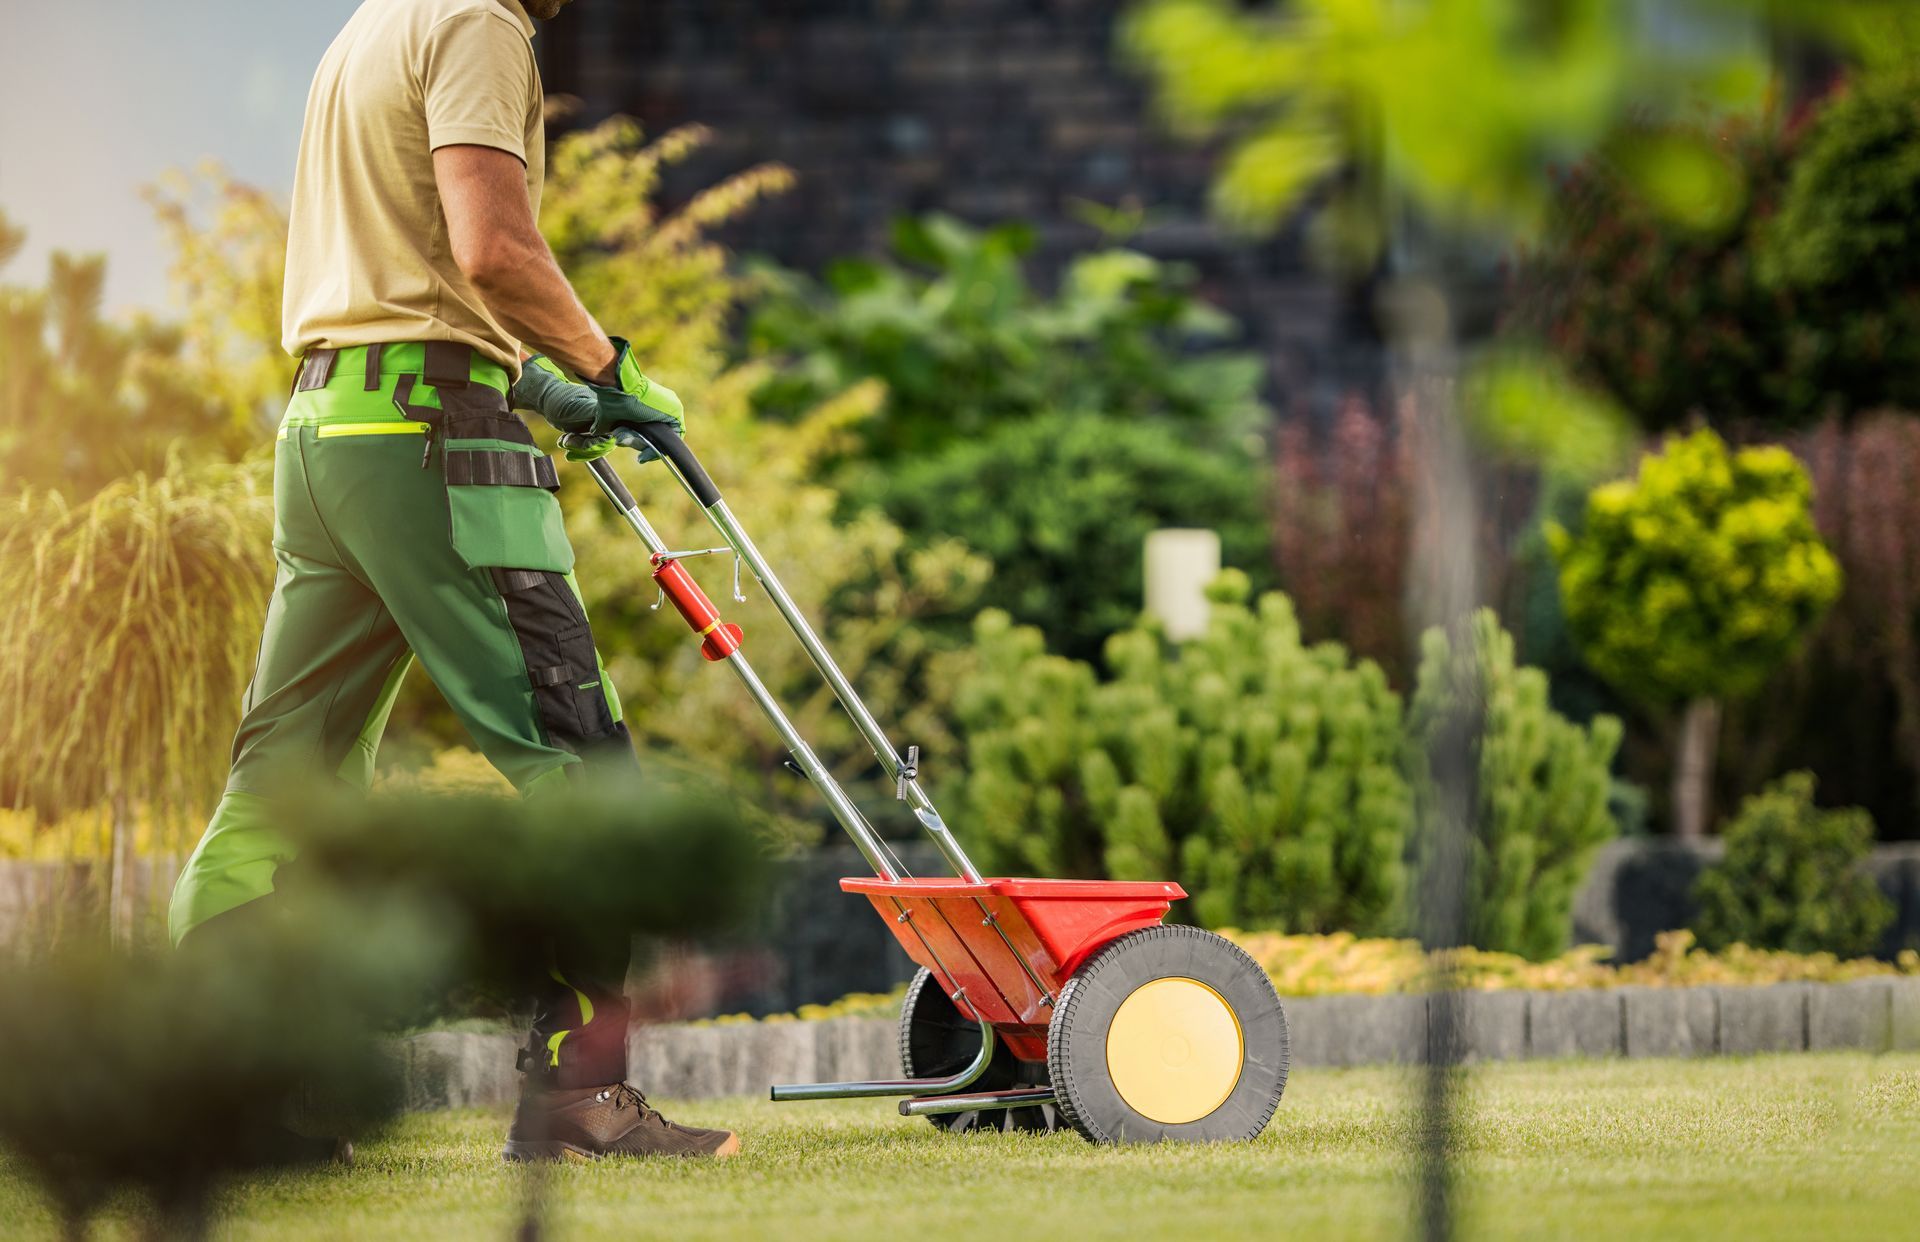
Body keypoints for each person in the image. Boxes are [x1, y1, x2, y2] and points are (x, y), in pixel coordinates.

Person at [167, 0, 740, 1161]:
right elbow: (491, 248)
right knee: (581, 763)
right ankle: (580, 1099)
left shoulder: (371, 25)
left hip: (328, 433)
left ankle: (211, 1086)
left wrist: (531, 377)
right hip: (434, 444)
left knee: (284, 784)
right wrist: (606, 363)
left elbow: (410, 265)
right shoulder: (480, 21)